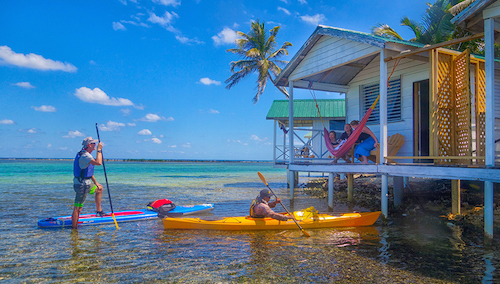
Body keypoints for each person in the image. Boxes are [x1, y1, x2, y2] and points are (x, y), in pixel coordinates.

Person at [72, 137, 104, 229]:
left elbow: (88, 172)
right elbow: (99, 163)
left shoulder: (86, 155)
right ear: (89, 145)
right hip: (82, 185)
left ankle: (99, 211)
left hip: (86, 183)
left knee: (99, 189)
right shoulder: (86, 156)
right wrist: (99, 150)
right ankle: (74, 230)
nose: (95, 145)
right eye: (94, 143)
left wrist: (96, 182)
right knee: (78, 208)